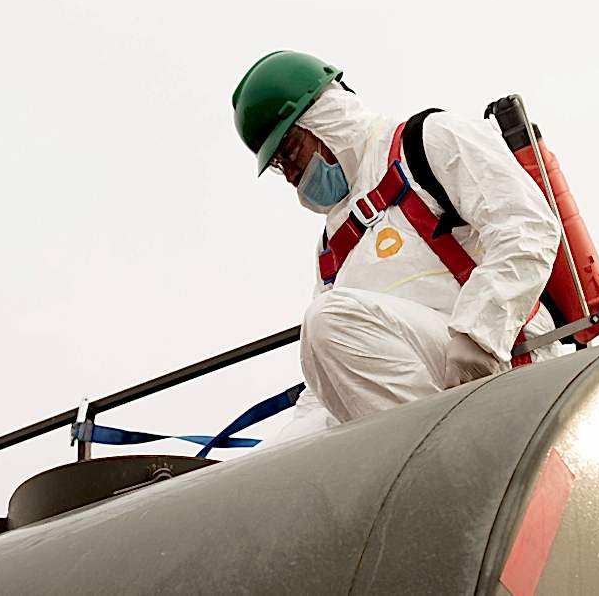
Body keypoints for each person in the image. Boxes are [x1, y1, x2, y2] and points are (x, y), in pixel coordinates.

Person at [231, 50, 562, 438]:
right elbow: (330, 370)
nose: (290, 175)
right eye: (278, 166)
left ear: (324, 119)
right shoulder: (331, 245)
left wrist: (479, 333)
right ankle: (426, 456)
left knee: (327, 321)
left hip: (498, 358)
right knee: (285, 451)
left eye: (290, 152)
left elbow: (526, 227)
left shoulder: (427, 140)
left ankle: (441, 456)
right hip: (425, 390)